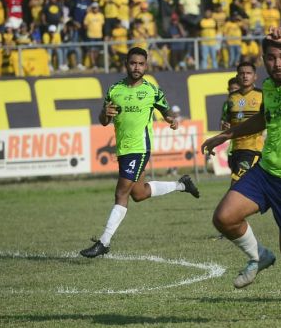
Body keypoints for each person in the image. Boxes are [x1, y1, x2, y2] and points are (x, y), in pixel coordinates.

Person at [200, 27, 281, 319]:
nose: (278, 64)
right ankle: (259, 255)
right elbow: (263, 118)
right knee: (224, 217)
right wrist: (228, 134)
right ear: (264, 61)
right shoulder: (269, 89)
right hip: (266, 171)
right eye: (271, 58)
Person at [80, 47, 200, 258]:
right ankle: (182, 184)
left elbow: (165, 110)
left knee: (121, 193)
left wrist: (171, 119)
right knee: (139, 193)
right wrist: (104, 114)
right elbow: (104, 121)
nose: (137, 67)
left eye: (141, 64)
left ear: (146, 65)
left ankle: (104, 241)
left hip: (140, 148)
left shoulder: (152, 90)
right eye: (133, 63)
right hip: (123, 149)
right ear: (127, 64)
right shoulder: (115, 89)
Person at [222, 61, 265, 185]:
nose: (245, 76)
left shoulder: (262, 95)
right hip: (235, 150)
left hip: (252, 149)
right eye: (242, 73)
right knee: (248, 187)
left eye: (248, 73)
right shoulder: (232, 98)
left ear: (255, 76)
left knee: (236, 184)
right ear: (237, 76)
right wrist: (226, 126)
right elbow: (227, 122)